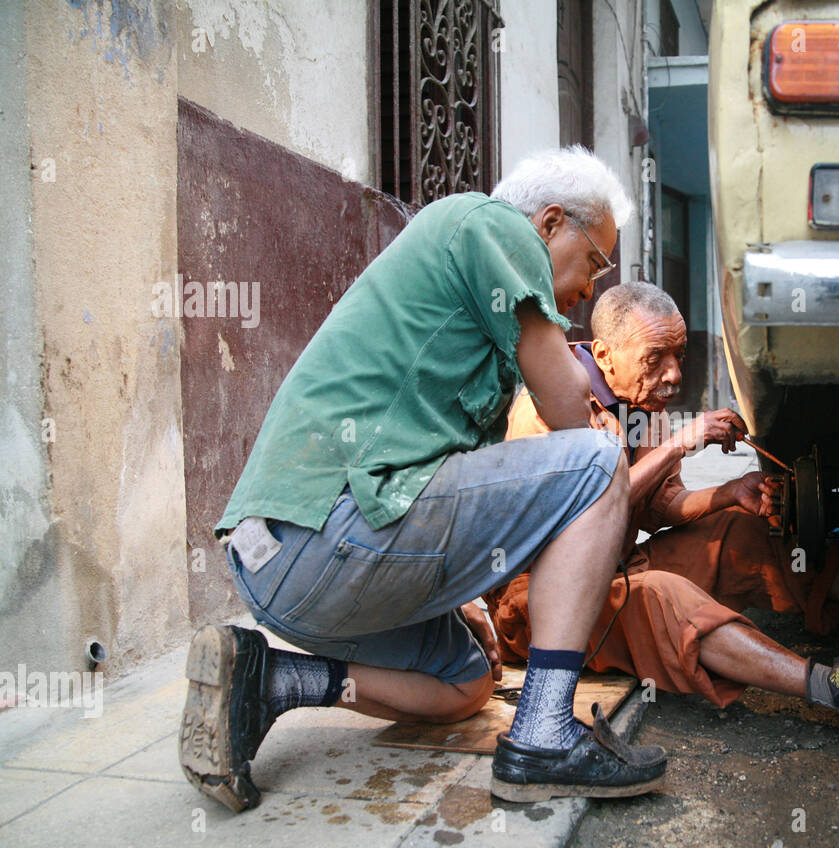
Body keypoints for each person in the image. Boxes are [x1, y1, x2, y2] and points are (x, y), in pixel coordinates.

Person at [180, 147, 666, 811]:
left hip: (278, 572)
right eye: (597, 261)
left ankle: (270, 682)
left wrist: (448, 589)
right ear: (551, 223)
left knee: (463, 681)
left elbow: (447, 482)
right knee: (600, 460)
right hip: (325, 529)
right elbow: (568, 410)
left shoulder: (477, 305)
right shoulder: (493, 227)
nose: (592, 290)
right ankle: (546, 735)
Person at [486, 282, 839, 750]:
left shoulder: (638, 406)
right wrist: (680, 446)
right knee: (663, 595)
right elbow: (578, 515)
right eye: (655, 358)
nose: (674, 375)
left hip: (611, 569)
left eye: (679, 356)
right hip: (541, 603)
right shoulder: (548, 407)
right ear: (605, 354)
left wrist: (731, 492)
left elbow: (662, 506)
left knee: (743, 531)